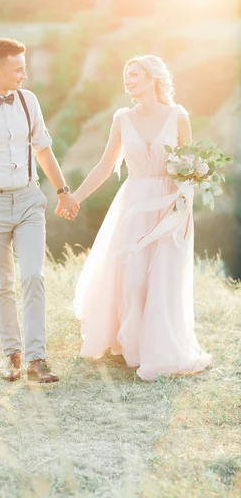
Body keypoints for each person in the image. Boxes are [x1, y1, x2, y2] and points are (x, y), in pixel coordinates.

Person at [62, 55, 212, 381]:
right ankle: (129, 345)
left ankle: (157, 351)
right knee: (132, 279)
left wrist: (185, 207)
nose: (127, 79)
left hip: (169, 208)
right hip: (133, 206)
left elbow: (190, 167)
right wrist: (75, 197)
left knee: (162, 278)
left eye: (134, 74)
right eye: (125, 75)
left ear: (152, 78)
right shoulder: (122, 119)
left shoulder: (178, 116)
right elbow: (105, 166)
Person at [0, 38, 79, 383]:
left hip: (28, 200)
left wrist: (63, 191)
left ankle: (37, 359)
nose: (25, 74)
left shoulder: (29, 101)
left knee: (33, 275)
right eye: (18, 68)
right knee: (2, 283)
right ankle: (13, 356)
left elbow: (44, 149)